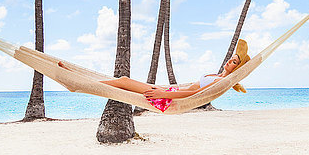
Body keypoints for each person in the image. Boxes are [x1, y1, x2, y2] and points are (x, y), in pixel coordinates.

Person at [91, 39, 251, 112]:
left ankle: (88, 83)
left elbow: (196, 93)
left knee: (124, 81)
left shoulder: (221, 82)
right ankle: (86, 81)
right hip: (170, 93)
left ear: (237, 69)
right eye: (232, 58)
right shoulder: (217, 75)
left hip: (170, 99)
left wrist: (163, 93)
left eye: (235, 62)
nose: (230, 61)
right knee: (124, 84)